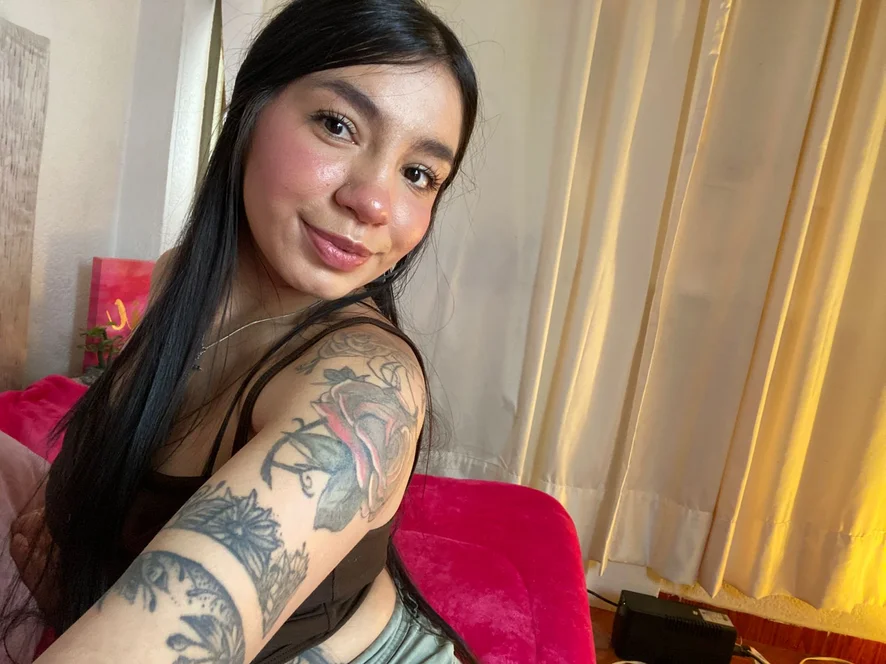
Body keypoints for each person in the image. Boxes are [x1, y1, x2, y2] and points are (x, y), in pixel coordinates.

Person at [1, 0, 479, 661]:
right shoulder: (175, 281)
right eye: (338, 125)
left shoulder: (369, 388)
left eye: (418, 174)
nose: (373, 202)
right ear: (248, 107)